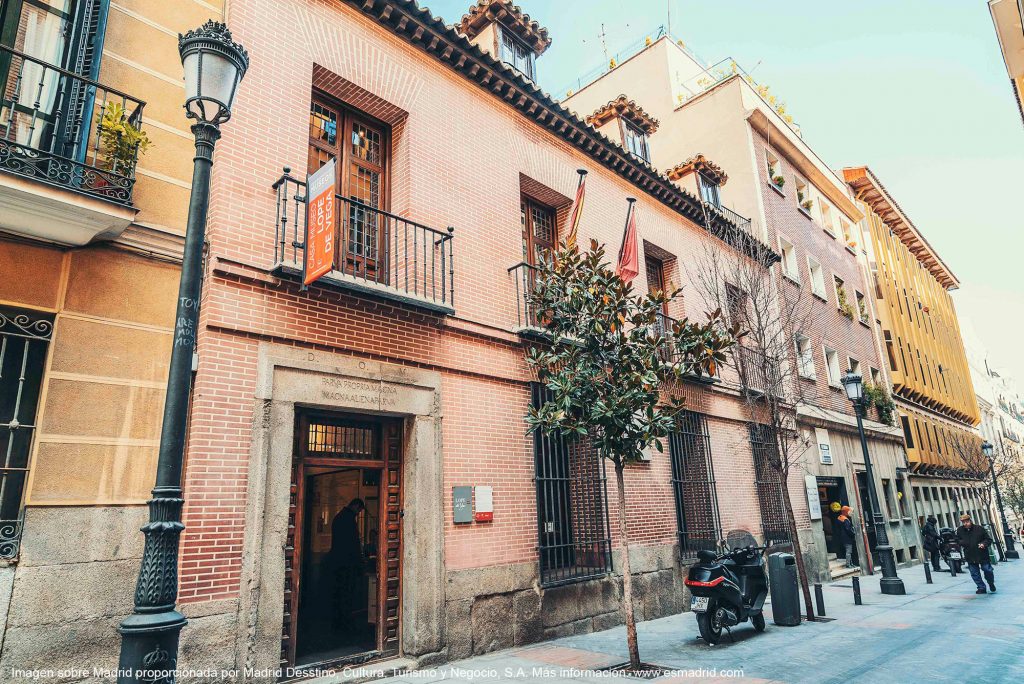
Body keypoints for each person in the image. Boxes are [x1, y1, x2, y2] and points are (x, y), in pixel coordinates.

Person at [328, 498, 366, 627]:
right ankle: (344, 622)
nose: (359, 513)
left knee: (339, 592)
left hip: (338, 561)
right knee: (346, 593)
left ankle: (339, 621)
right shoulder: (348, 519)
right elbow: (353, 543)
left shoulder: (339, 517)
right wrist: (359, 561)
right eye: (359, 510)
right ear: (355, 506)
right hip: (347, 563)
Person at [955, 513, 995, 594]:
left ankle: (991, 583)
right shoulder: (960, 530)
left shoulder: (979, 528)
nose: (965, 524)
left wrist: (983, 544)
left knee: (988, 570)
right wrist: (962, 542)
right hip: (970, 555)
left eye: (967, 521)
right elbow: (957, 540)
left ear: (970, 520)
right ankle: (981, 587)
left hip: (982, 554)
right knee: (974, 573)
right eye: (963, 522)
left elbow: (988, 539)